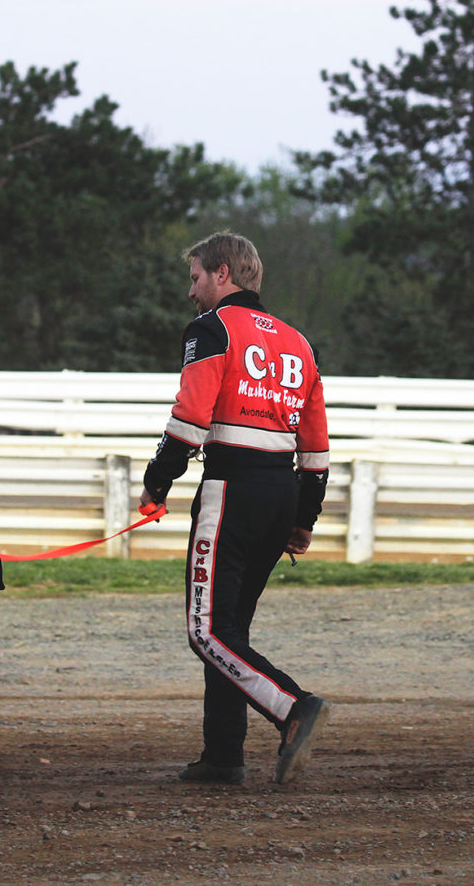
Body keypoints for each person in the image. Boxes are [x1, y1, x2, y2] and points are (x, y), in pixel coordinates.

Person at [140, 231, 331, 785]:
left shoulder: (212, 330)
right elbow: (316, 448)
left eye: (196, 276)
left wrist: (158, 482)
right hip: (281, 495)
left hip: (231, 492)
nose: (191, 290)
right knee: (230, 631)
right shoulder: (300, 342)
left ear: (223, 274)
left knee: (207, 632)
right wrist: (303, 519)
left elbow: (189, 418)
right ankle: (224, 755)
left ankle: (293, 708)